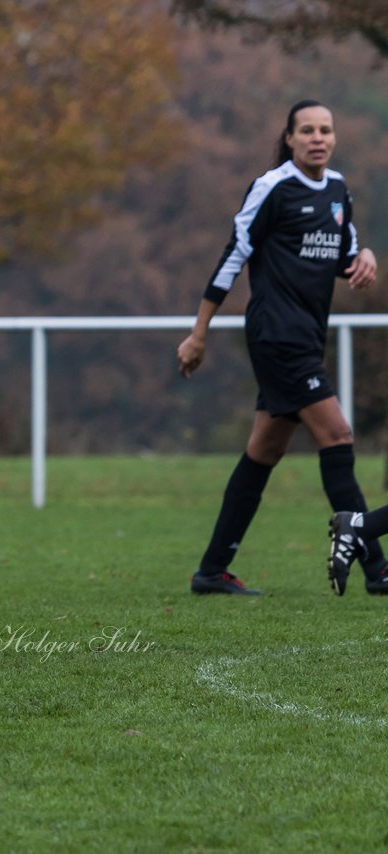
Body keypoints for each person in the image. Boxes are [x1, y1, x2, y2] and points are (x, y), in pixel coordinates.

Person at [177, 99, 380, 596]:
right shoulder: (273, 187)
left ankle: (211, 571)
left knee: (263, 450)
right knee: (337, 435)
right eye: (307, 130)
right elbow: (234, 256)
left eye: (326, 130)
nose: (318, 138)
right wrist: (199, 331)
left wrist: (366, 257)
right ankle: (378, 568)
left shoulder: (337, 190)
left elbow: (346, 254)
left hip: (306, 334)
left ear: (334, 137)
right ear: (289, 139)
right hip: (276, 334)